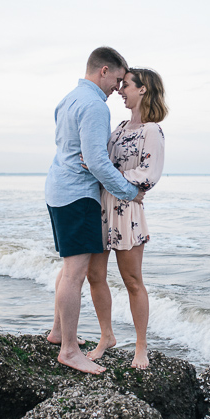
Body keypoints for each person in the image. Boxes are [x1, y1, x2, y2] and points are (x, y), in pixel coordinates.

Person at [45, 47, 144, 374]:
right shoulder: (94, 106)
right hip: (78, 195)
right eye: (117, 79)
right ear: (103, 70)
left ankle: (59, 332)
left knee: (67, 267)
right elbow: (97, 162)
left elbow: (73, 150)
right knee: (76, 273)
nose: (118, 88)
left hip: (57, 189)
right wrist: (130, 191)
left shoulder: (68, 99)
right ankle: (70, 350)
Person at [85, 68, 167, 369]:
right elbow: (99, 161)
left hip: (127, 210)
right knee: (94, 276)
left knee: (132, 280)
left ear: (143, 90)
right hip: (101, 206)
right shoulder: (118, 128)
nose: (120, 90)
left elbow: (148, 175)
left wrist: (111, 176)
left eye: (127, 85)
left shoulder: (152, 131)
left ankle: (141, 346)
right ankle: (106, 336)